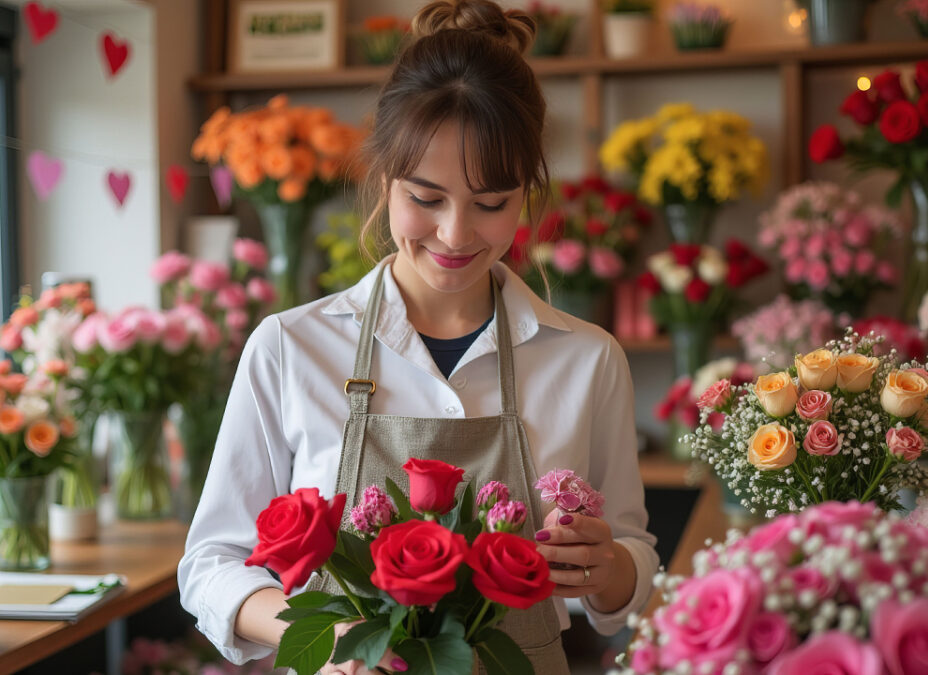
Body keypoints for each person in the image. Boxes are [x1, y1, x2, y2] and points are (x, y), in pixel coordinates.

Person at [177, 1, 659, 673]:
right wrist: (337, 639)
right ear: (382, 176)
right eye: (426, 198)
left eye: (491, 203)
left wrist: (608, 567)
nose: (457, 234)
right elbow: (210, 564)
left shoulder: (586, 359)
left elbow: (632, 568)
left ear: (527, 192)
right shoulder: (291, 347)